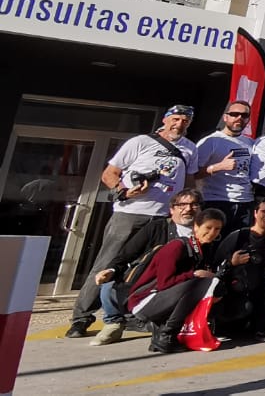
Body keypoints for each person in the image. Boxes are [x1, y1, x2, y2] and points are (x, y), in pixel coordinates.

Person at [68, 106, 201, 340]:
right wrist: (124, 192)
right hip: (130, 213)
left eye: (185, 120)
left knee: (148, 268)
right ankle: (81, 318)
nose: (179, 124)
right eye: (175, 119)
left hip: (164, 218)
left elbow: (188, 181)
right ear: (165, 119)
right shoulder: (140, 142)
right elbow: (109, 173)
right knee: (108, 263)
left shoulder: (190, 148)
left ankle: (133, 315)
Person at [81, 189, 200, 346]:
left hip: (180, 282)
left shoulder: (206, 230)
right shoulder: (156, 228)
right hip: (149, 279)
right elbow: (128, 253)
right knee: (109, 285)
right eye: (182, 205)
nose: (188, 209)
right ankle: (114, 324)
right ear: (171, 209)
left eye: (194, 204)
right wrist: (111, 270)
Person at [129, 208, 226, 353]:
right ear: (196, 227)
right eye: (208, 227)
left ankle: (165, 334)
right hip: (144, 301)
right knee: (202, 283)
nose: (212, 233)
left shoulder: (202, 250)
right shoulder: (176, 247)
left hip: (164, 298)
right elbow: (165, 284)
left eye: (217, 229)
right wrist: (194, 274)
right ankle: (167, 334)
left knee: (213, 285)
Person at [214, 196, 265, 341]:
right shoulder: (238, 236)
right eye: (264, 211)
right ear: (255, 213)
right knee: (243, 309)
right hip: (236, 292)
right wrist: (232, 262)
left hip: (261, 289)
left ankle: (262, 329)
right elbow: (216, 265)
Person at [195, 102, 256, 234]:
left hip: (245, 202)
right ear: (225, 117)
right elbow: (193, 174)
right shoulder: (210, 141)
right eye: (234, 114)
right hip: (217, 200)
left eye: (244, 115)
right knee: (214, 244)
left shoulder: (250, 143)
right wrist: (218, 167)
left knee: (237, 245)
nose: (239, 118)